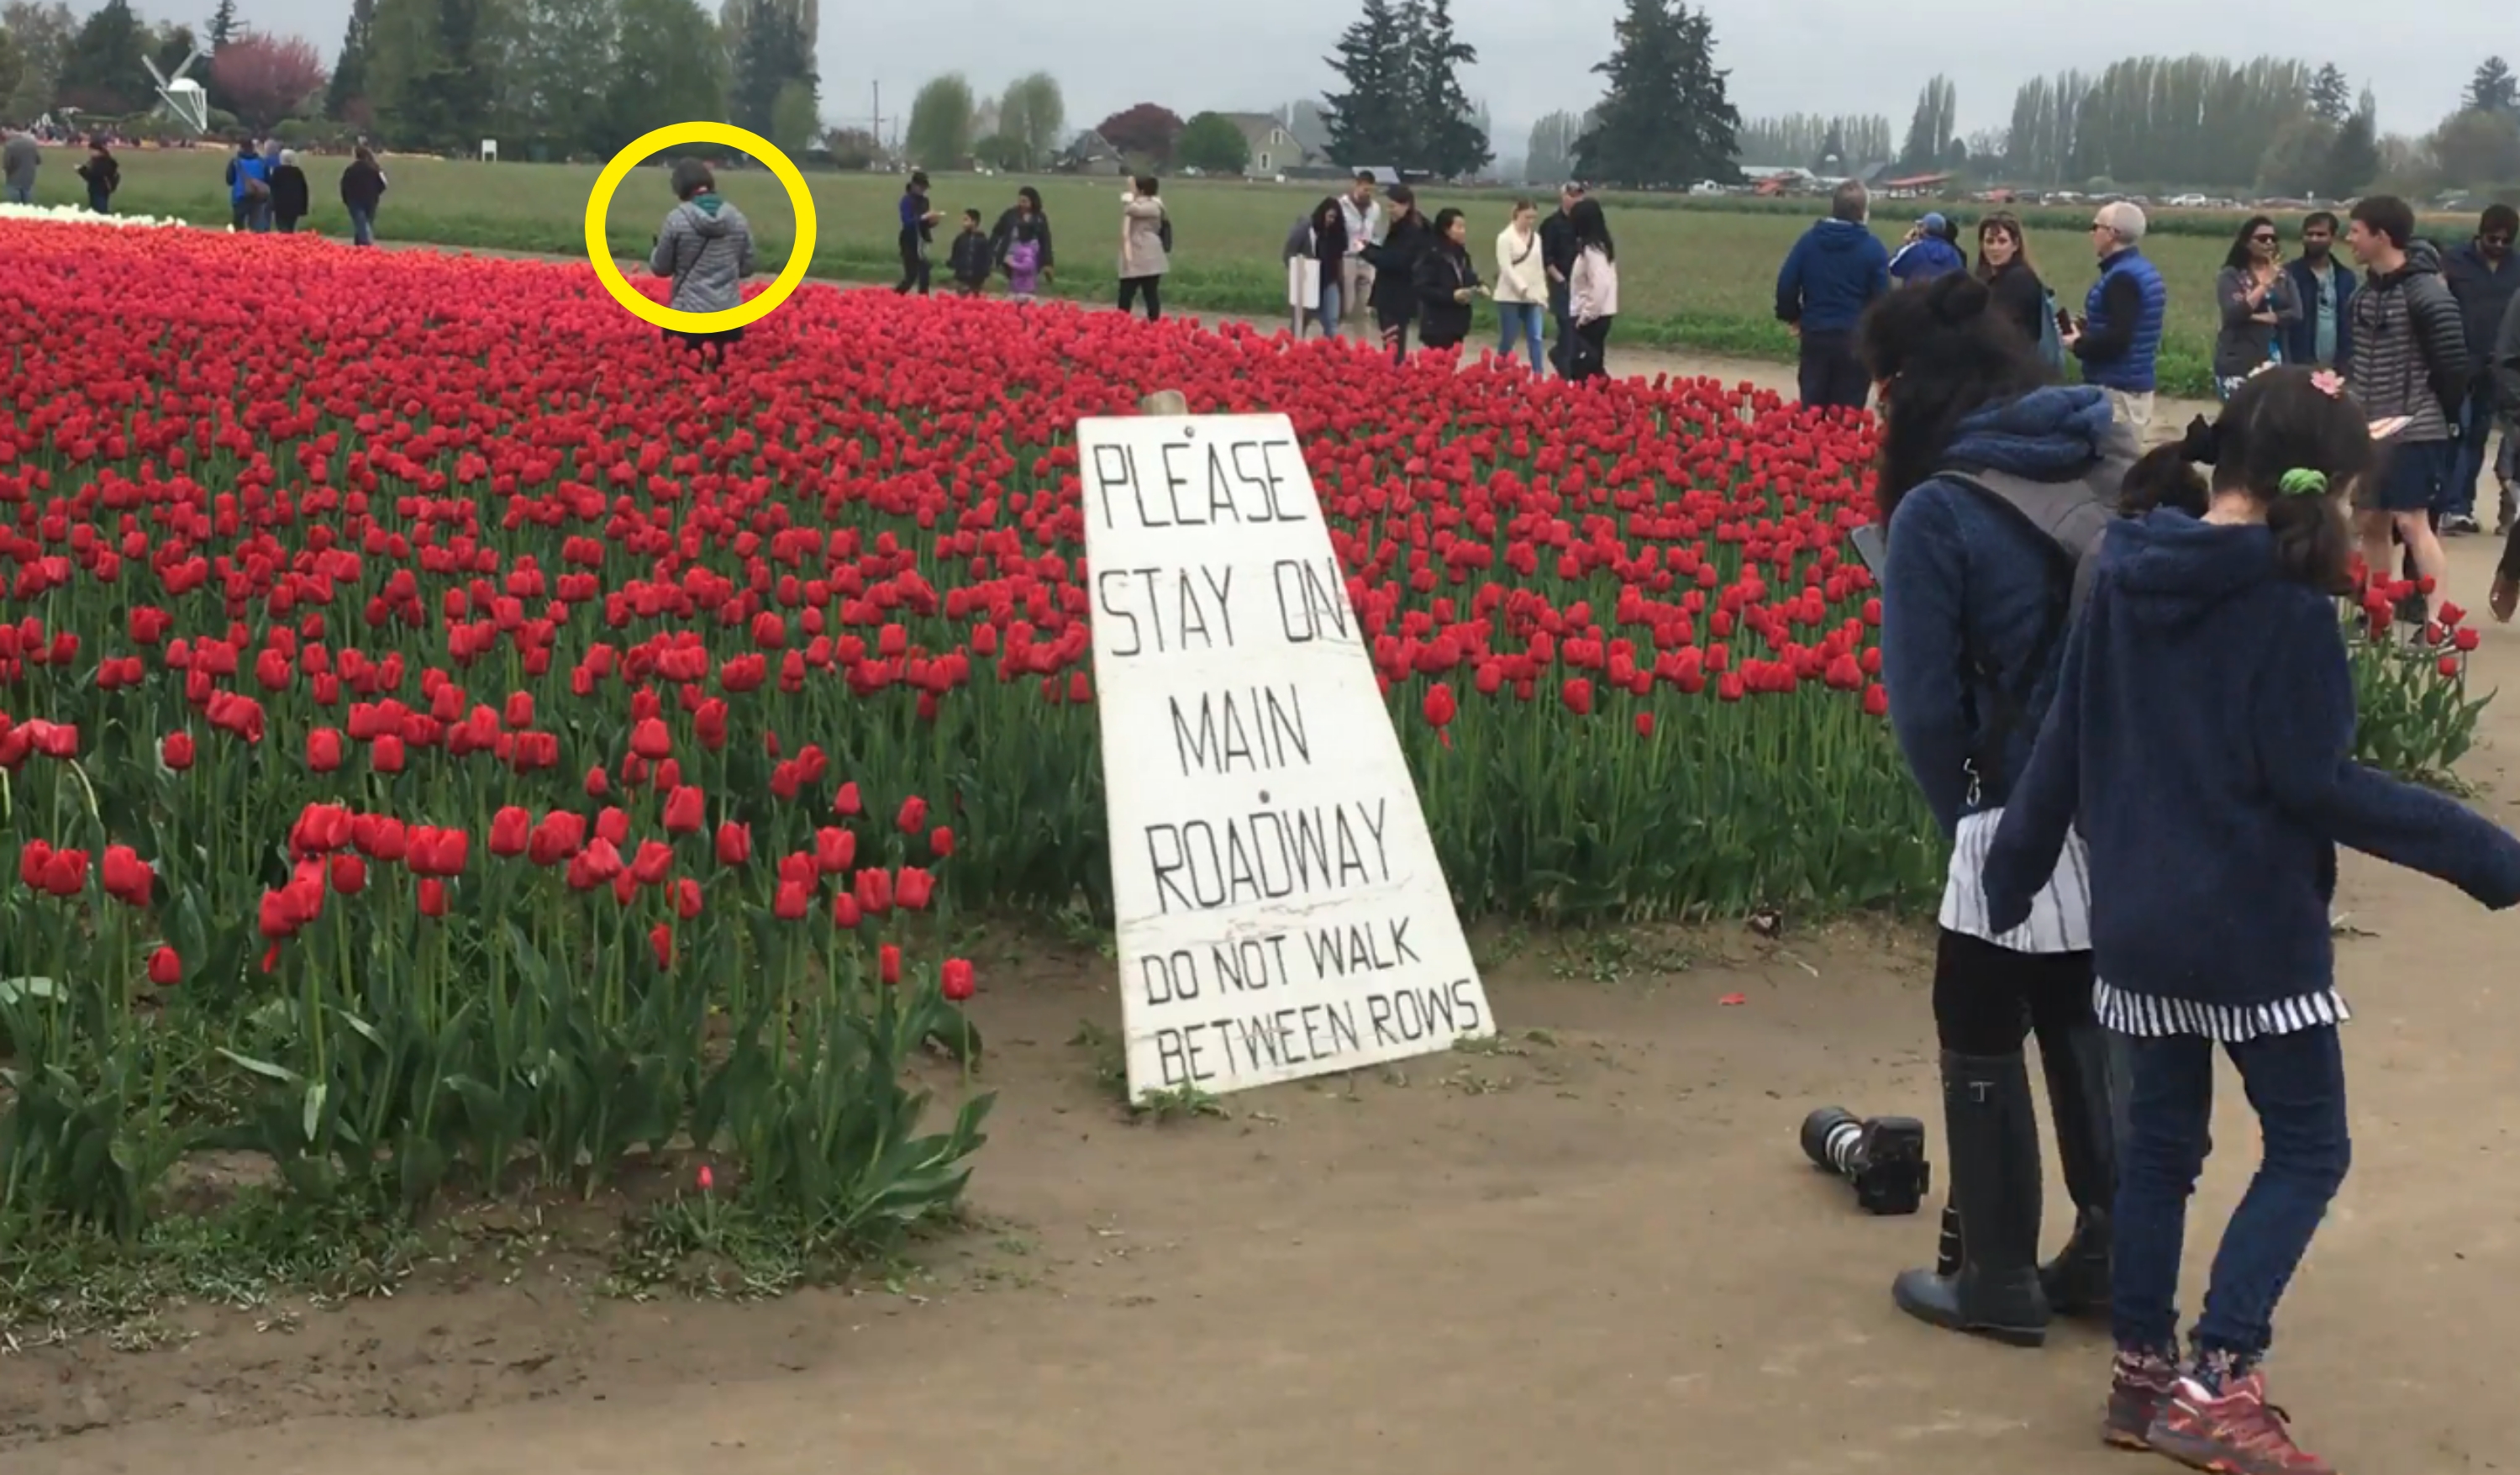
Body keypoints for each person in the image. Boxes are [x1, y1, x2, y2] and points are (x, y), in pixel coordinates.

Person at [1983, 365, 2520, 1472]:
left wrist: (2009, 877)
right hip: (2249, 927)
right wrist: (2484, 852)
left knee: (2160, 1153)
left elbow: (2061, 744)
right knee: (2307, 1146)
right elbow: (2315, 783)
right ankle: (2218, 1374)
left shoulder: (2119, 568)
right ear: (2322, 490)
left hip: (2132, 922)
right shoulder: (2283, 608)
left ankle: (2140, 1377)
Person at [1864, 270, 2136, 1353]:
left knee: (1977, 1015)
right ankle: (2116, 1247)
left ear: (1902, 388)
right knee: (2078, 1003)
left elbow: (1927, 708)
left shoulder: (1940, 506)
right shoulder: (2099, 452)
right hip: (2122, 791)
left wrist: (1967, 826)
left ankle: (1997, 1277)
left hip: (2011, 797)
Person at [2344, 194, 2467, 624]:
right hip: (2371, 426)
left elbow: (2453, 365)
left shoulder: (2427, 293)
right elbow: (2353, 360)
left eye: (2356, 230)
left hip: (2417, 427)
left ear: (2382, 235)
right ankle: (2377, 608)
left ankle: (2438, 619)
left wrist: (2440, 416)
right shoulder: (2361, 296)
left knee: (2413, 522)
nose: (2349, 238)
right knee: (2371, 520)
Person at [1776, 180, 1893, 411]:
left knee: (1812, 413)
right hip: (1855, 339)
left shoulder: (1809, 241)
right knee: (1848, 415)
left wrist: (1793, 316)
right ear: (1863, 212)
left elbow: (1786, 284)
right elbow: (1883, 299)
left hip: (1816, 334)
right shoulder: (1873, 248)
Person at [2443, 204, 2518, 535]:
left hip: (2499, 364)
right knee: (2458, 432)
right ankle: (2451, 507)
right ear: (2480, 233)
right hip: (2460, 360)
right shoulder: (2454, 261)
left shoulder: (2517, 267)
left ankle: (2465, 506)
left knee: (2477, 438)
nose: (2499, 245)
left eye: (2506, 241)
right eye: (2493, 238)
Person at [2066, 201, 2168, 438]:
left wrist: (2078, 344)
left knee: (2113, 462)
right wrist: (2089, 326)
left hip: (2118, 389)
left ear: (2112, 234)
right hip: (2135, 383)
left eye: (2096, 226)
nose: (2092, 233)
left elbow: (2119, 338)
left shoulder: (2121, 278)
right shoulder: (2142, 270)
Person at [647, 157, 755, 365]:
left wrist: (655, 252)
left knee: (684, 383)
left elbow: (660, 268)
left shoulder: (676, 220)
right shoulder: (738, 219)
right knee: (725, 385)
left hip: (688, 316)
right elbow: (748, 266)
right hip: (729, 318)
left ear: (680, 188)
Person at [2212, 215, 2302, 400]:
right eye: (2262, 239)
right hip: (2238, 361)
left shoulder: (2284, 276)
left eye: (2273, 239)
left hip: (2276, 360)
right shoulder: (2231, 276)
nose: (2268, 243)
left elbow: (2296, 314)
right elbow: (2234, 314)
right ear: (2246, 242)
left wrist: (2257, 317)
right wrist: (2263, 286)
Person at [1365, 184, 1436, 362]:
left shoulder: (1409, 231)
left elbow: (1396, 261)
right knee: (1393, 340)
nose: (1389, 211)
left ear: (1406, 205)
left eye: (1393, 206)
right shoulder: (1410, 226)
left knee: (1393, 343)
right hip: (1398, 293)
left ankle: (1394, 377)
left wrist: (1367, 251)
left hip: (1396, 294)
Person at [2282, 212, 2355, 375]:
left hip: (2337, 365)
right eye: (2310, 234)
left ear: (2333, 238)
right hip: (2299, 363)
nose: (2314, 239)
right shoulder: (2289, 274)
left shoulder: (2345, 277)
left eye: (2321, 234)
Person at [1974, 212, 2049, 352]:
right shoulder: (1987, 278)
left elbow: (2003, 328)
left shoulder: (2019, 279)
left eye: (2002, 241)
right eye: (1990, 241)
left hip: (2017, 364)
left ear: (2015, 245)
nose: (1995, 248)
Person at [1413, 206, 1483, 355]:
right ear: (1446, 229)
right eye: (1458, 227)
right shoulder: (1431, 254)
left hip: (1458, 321)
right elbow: (1422, 288)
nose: (1463, 231)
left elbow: (1467, 276)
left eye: (1464, 227)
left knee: (1452, 365)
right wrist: (1452, 296)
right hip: (1437, 322)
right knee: (1437, 367)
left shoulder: (1462, 254)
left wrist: (1478, 286)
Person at [1565, 198, 1618, 383]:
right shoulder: (1602, 247)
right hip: (1601, 313)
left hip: (1591, 316)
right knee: (1592, 364)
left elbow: (1600, 285)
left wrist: (1586, 315)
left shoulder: (1592, 250)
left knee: (1583, 367)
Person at [1493, 198, 1549, 372]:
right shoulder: (1504, 238)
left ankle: (1538, 374)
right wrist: (1521, 287)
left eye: (1533, 218)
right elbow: (1506, 267)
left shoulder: (1537, 238)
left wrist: (1543, 294)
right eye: (1527, 217)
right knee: (1509, 337)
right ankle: (1500, 371)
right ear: (1518, 214)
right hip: (1509, 296)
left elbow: (1539, 268)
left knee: (1536, 337)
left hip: (1533, 296)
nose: (1530, 222)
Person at [1282, 198, 1346, 339]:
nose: (1331, 221)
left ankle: (1332, 354)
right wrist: (1297, 271)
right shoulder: (1305, 229)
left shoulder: (1337, 234)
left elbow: (1339, 260)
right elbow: (1289, 252)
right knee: (1301, 321)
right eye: (1330, 216)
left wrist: (1341, 284)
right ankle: (1295, 351)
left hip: (1329, 280)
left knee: (1331, 322)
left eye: (1335, 218)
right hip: (1308, 280)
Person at [1541, 183, 1586, 375]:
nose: (1575, 199)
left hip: (1581, 285)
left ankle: (1558, 355)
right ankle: (1566, 373)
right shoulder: (1551, 224)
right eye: (1572, 195)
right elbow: (1546, 256)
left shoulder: (1584, 224)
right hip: (1562, 283)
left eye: (1579, 196)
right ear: (1563, 197)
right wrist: (1559, 279)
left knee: (1577, 331)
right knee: (1567, 328)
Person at [1338, 171, 1384, 335]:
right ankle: (1339, 341)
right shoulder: (1341, 206)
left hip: (1367, 260)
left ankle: (1361, 347)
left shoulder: (1375, 208)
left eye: (1371, 190)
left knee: (1364, 308)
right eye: (1365, 189)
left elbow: (1377, 233)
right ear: (1356, 185)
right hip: (1348, 258)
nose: (1368, 194)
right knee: (1348, 306)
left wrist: (1376, 252)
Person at [1118, 175, 1170, 321]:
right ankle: (1121, 322)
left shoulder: (1154, 206)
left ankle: (1154, 324)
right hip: (1135, 253)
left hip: (1148, 255)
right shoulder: (1146, 204)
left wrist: (1130, 192)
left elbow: (1132, 210)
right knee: (1125, 293)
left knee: (1150, 293)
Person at [989, 187, 1054, 298]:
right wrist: (991, 251)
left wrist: (1048, 262)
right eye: (1020, 201)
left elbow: (1045, 240)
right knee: (1012, 285)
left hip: (1031, 258)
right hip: (1010, 255)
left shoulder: (1039, 218)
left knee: (1027, 286)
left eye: (1025, 201)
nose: (1022, 204)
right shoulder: (1010, 214)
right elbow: (997, 232)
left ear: (1032, 202)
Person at [1890, 213, 1967, 287]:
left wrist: (1907, 244)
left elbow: (1893, 267)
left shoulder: (1915, 249)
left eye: (1921, 226)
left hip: (1916, 298)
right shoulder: (1953, 253)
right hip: (1943, 299)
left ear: (1924, 228)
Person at [895, 171, 940, 296]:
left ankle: (923, 300)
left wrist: (933, 221)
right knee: (911, 276)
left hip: (923, 240)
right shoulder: (906, 201)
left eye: (925, 188)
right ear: (914, 185)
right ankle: (894, 296)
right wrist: (923, 217)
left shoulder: (925, 201)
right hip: (909, 240)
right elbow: (907, 222)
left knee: (925, 272)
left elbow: (925, 224)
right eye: (921, 187)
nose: (923, 190)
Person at [339, 147, 387, 246]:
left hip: (354, 201)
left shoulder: (351, 169)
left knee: (361, 225)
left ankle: (365, 246)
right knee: (366, 224)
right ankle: (363, 247)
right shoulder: (375, 168)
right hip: (371, 200)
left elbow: (344, 185)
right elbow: (384, 184)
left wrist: (346, 199)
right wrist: (376, 192)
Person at [225, 140, 271, 232]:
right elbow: (268, 179)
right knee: (257, 226)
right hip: (258, 196)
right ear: (253, 148)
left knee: (238, 226)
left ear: (241, 148)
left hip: (240, 196)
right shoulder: (262, 162)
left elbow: (230, 180)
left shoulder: (235, 162)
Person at [946, 208, 992, 296]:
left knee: (974, 300)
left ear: (974, 222)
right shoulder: (960, 239)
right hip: (961, 277)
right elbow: (955, 254)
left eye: (966, 219)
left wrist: (985, 274)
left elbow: (986, 259)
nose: (963, 222)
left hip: (977, 279)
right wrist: (953, 264)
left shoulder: (982, 240)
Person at [269, 150, 312, 234]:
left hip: (280, 205)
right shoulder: (297, 172)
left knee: (281, 226)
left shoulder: (277, 171)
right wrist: (303, 207)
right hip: (294, 205)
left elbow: (272, 188)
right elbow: (303, 190)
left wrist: (271, 204)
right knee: (291, 226)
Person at [76, 138, 118, 215]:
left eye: (91, 150)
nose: (90, 153)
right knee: (96, 210)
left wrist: (81, 170)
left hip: (100, 189)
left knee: (100, 211)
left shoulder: (102, 162)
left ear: (97, 150)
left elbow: (94, 176)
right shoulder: (101, 160)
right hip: (98, 189)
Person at [2, 129, 37, 205]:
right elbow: (38, 160)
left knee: (16, 206)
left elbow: (7, 164)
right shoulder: (32, 144)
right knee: (27, 206)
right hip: (29, 178)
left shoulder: (10, 146)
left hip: (14, 179)